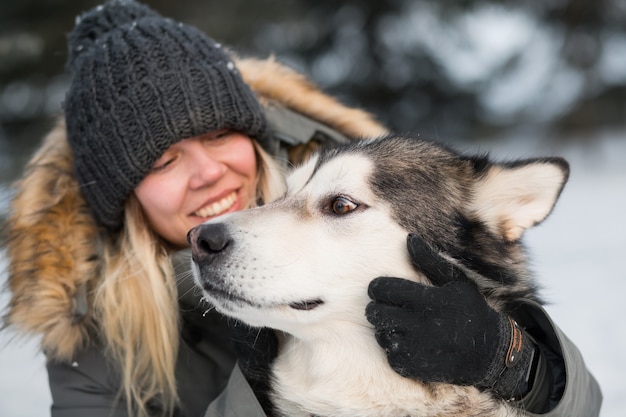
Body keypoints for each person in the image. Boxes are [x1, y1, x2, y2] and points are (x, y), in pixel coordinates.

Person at [1, 1, 601, 417]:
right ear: (123, 197)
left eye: (218, 136)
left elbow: (581, 402)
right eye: (161, 162)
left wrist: (510, 361)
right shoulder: (86, 330)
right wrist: (260, 398)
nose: (208, 173)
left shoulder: (362, 169)